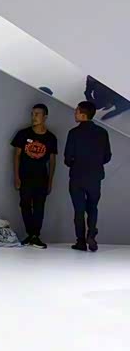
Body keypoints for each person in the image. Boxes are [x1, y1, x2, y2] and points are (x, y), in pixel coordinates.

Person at [64, 101, 112, 252]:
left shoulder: (73, 133)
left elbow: (67, 158)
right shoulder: (102, 132)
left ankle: (80, 241)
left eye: (77, 111)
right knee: (92, 207)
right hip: (95, 176)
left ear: (83, 114)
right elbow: (107, 156)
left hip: (77, 176)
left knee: (79, 210)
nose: (75, 113)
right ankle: (91, 234)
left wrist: (74, 163)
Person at [11, 103, 57, 249]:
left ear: (45, 117)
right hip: (25, 176)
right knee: (25, 204)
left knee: (39, 206)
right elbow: (16, 156)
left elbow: (52, 161)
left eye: (37, 114)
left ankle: (35, 235)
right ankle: (31, 234)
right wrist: (16, 177)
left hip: (41, 178)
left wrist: (50, 181)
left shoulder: (51, 138)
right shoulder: (23, 134)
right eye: (32, 114)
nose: (34, 117)